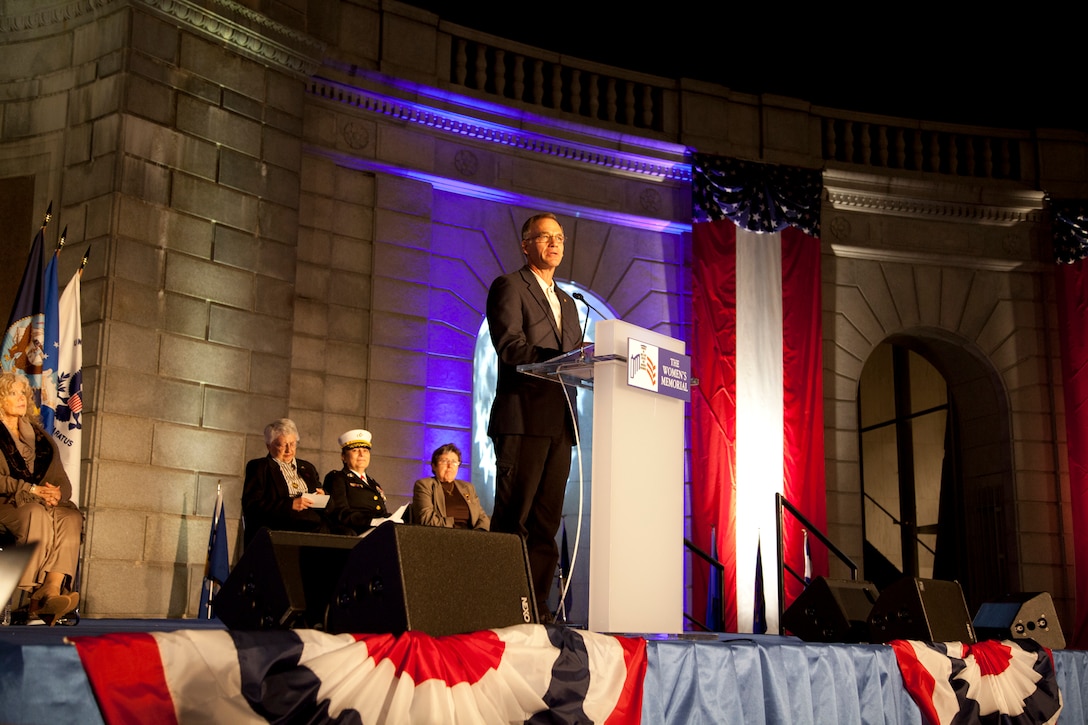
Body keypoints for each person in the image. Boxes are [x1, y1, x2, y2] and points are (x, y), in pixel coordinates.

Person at [486, 212, 582, 621]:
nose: (555, 243)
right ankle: (500, 608)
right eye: (545, 237)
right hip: (522, 421)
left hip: (560, 425)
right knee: (514, 520)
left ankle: (538, 611)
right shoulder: (509, 286)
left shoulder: (569, 304)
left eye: (559, 237)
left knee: (546, 526)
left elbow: (578, 362)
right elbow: (510, 347)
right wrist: (559, 359)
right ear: (526, 244)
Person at [0, 371, 82, 624]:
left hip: (37, 503)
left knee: (70, 516)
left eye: (23, 393)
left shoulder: (40, 437)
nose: (21, 398)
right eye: (12, 393)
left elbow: (60, 479)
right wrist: (31, 490)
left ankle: (52, 587)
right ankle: (34, 603)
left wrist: (57, 493)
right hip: (7, 502)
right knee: (37, 515)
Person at [242, 418, 326, 544]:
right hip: (281, 528)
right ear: (268, 446)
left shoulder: (307, 467)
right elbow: (251, 506)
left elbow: (325, 500)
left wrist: (322, 497)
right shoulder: (260, 467)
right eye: (282, 445)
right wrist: (289, 505)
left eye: (292, 444)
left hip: (313, 527)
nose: (289, 450)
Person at [412, 443, 490, 530]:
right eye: (445, 461)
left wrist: (479, 533)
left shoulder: (467, 487)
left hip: (472, 538)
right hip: (443, 536)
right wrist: (454, 527)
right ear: (434, 466)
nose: (450, 466)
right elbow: (426, 519)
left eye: (454, 462)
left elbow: (482, 517)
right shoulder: (424, 485)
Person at [324, 429, 388, 535]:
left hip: (377, 532)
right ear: (343, 457)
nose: (361, 455)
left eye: (365, 450)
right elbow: (340, 513)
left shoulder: (373, 484)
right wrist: (371, 521)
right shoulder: (338, 478)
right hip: (355, 533)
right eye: (355, 450)